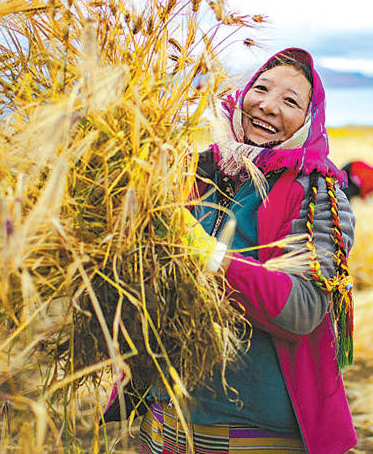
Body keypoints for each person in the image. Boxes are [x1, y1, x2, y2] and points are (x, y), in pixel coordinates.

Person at [103, 48, 357, 454]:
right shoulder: (195, 171)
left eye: (291, 101)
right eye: (261, 88)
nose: (269, 106)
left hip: (250, 428)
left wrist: (208, 256)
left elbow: (303, 309)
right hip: (166, 414)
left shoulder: (317, 196)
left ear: (309, 123)